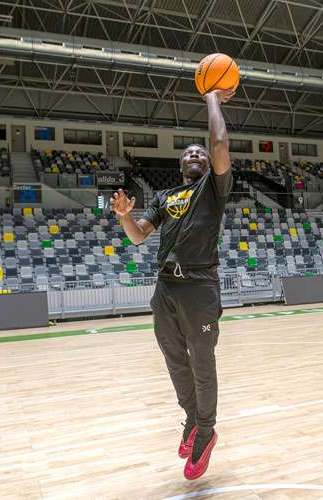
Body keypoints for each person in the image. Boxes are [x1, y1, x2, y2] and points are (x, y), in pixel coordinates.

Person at [110, 88, 235, 481]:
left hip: (199, 288)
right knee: (174, 360)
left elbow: (218, 142)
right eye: (189, 153)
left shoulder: (213, 190)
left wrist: (212, 98)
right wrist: (125, 217)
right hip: (165, 288)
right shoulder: (166, 196)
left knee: (202, 362)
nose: (196, 155)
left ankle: (207, 430)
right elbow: (138, 236)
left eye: (201, 153)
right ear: (181, 164)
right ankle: (192, 420)